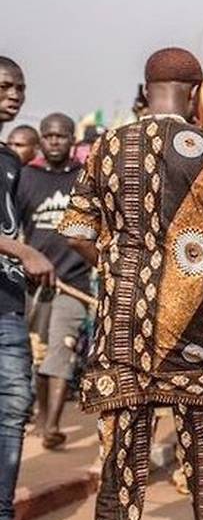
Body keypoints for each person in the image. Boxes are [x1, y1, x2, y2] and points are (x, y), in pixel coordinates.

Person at [60, 47, 203, 520]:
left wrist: (119, 268)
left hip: (124, 320)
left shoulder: (109, 145)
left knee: (121, 438)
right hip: (192, 321)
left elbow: (77, 231)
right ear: (195, 94)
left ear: (146, 90)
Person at [0, 57, 56, 520]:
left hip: (8, 304)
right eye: (4, 86)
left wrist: (28, 264)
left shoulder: (9, 162)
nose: (14, 94)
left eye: (20, 86)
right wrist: (23, 251)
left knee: (15, 406)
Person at [19, 112, 92, 450]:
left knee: (61, 352)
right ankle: (41, 414)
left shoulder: (84, 179)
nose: (54, 142)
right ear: (41, 139)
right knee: (40, 354)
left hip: (72, 285)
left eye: (61, 136)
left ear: (72, 140)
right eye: (48, 136)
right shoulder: (27, 178)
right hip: (34, 286)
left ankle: (52, 426)